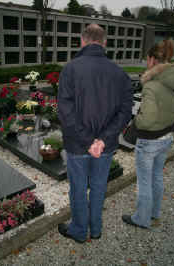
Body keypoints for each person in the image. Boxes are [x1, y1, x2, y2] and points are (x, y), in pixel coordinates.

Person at [57, 24, 133, 243]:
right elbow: (125, 112)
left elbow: (65, 111)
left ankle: (80, 231)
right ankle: (96, 229)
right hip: (105, 146)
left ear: (82, 40)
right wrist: (102, 140)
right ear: (104, 42)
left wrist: (90, 141)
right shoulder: (119, 73)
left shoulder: (70, 69)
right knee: (99, 187)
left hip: (78, 145)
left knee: (79, 189)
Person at [122, 39, 174, 229]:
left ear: (152, 60)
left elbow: (147, 119)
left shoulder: (151, 86)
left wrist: (136, 122)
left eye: (147, 59)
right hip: (166, 138)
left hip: (149, 141)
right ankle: (154, 212)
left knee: (144, 182)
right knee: (157, 177)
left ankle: (141, 219)